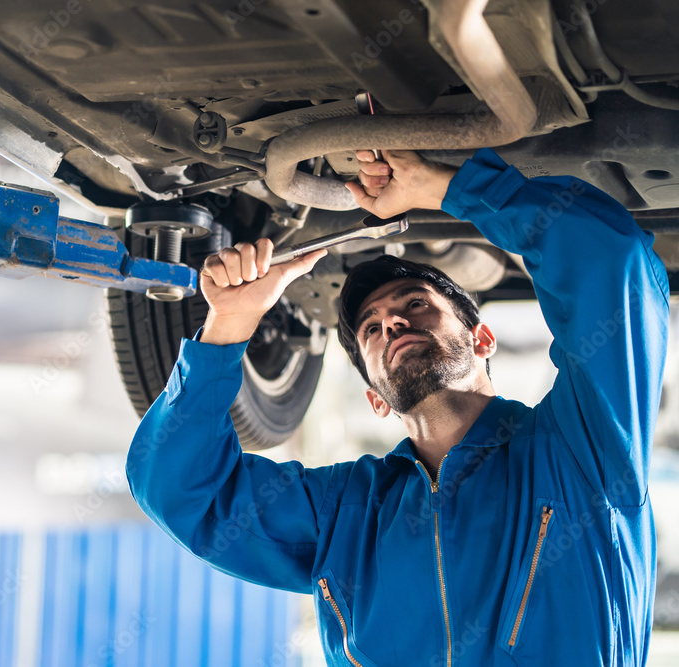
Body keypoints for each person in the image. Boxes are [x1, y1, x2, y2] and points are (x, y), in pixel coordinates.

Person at [126, 148, 670, 666]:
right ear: (375, 399)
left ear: (482, 339)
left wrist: (449, 188)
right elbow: (182, 494)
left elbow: (612, 263)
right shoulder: (348, 515)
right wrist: (229, 325)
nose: (391, 323)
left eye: (415, 304)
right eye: (370, 329)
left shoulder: (580, 451)